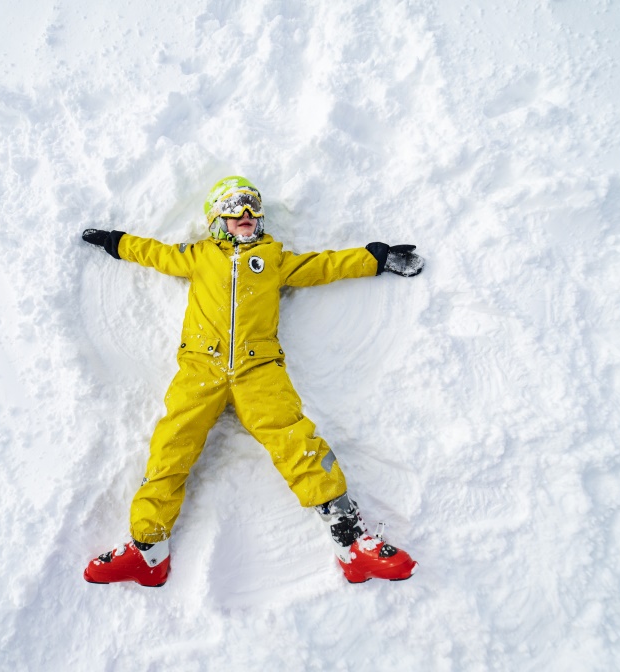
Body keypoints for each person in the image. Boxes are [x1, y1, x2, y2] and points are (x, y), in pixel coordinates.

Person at [81, 176, 424, 586]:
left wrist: (375, 258)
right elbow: (154, 253)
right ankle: (147, 550)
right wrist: (116, 241)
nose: (245, 213)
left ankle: (352, 544)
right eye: (234, 205)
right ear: (215, 218)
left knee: (296, 440)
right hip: (200, 369)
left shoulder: (273, 257)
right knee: (171, 445)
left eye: (252, 205)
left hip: (258, 370)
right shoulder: (199, 255)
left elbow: (324, 265)